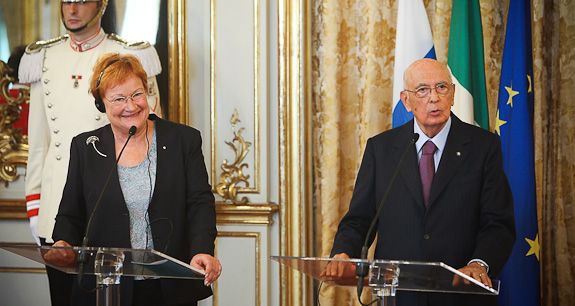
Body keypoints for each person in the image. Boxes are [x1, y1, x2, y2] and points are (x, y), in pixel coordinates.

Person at [324, 59, 516, 306]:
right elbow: (360, 220)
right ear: (406, 100)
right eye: (423, 90)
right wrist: (344, 254)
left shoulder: (484, 146)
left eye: (442, 87)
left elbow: (498, 222)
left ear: (453, 94)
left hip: (461, 295)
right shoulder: (381, 149)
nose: (434, 98)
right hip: (397, 296)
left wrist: (479, 263)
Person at [45, 53, 221, 305]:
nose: (131, 106)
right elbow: (70, 214)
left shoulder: (183, 140)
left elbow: (200, 204)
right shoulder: (86, 147)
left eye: (137, 94)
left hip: (168, 287)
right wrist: (62, 243)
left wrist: (203, 250)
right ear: (101, 104)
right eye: (118, 99)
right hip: (106, 287)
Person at [18, 1, 161, 304]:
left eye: (82, 1)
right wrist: (35, 206)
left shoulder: (130, 55)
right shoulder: (44, 56)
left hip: (113, 208)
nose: (72, 9)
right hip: (57, 211)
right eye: (66, 1)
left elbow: (150, 136)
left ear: (101, 5)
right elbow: (41, 142)